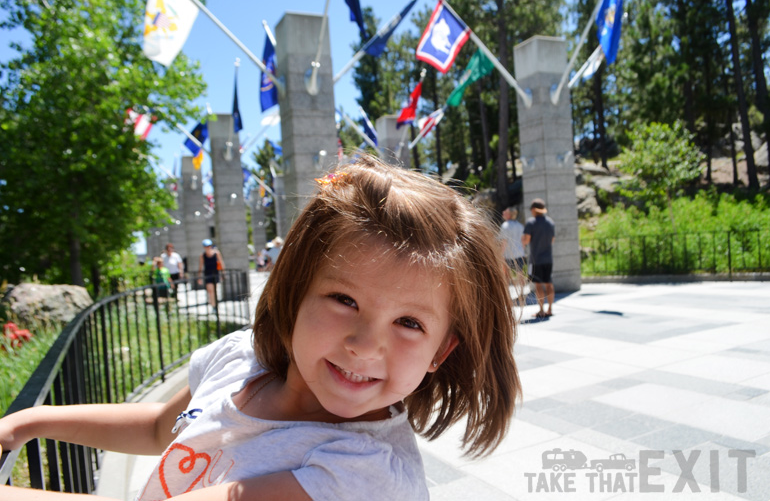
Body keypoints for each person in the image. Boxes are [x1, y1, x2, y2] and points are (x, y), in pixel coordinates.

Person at [0, 156, 521, 501]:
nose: (365, 345)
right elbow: (162, 427)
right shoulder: (239, 357)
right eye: (344, 300)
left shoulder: (365, 473)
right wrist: (29, 421)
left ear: (440, 350)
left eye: (409, 322)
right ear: (294, 293)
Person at [521, 198, 556, 319]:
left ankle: (541, 310)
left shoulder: (531, 223)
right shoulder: (550, 222)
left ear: (534, 210)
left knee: (538, 285)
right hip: (548, 258)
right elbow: (552, 240)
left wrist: (522, 241)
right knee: (549, 284)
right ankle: (550, 309)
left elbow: (526, 240)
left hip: (536, 259)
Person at [499, 207, 527, 302]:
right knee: (520, 274)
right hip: (519, 253)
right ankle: (521, 293)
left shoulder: (505, 226)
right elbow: (523, 241)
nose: (503, 212)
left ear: (509, 214)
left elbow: (504, 242)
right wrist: (523, 251)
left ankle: (506, 295)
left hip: (508, 255)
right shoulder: (520, 225)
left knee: (506, 276)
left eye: (505, 212)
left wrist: (500, 255)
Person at [198, 239, 225, 311]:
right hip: (207, 274)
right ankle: (213, 305)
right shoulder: (202, 255)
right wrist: (199, 277)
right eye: (206, 246)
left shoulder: (216, 253)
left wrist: (223, 273)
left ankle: (215, 304)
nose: (208, 247)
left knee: (215, 290)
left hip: (215, 274)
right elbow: (200, 266)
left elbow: (221, 263)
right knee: (210, 290)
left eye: (209, 246)